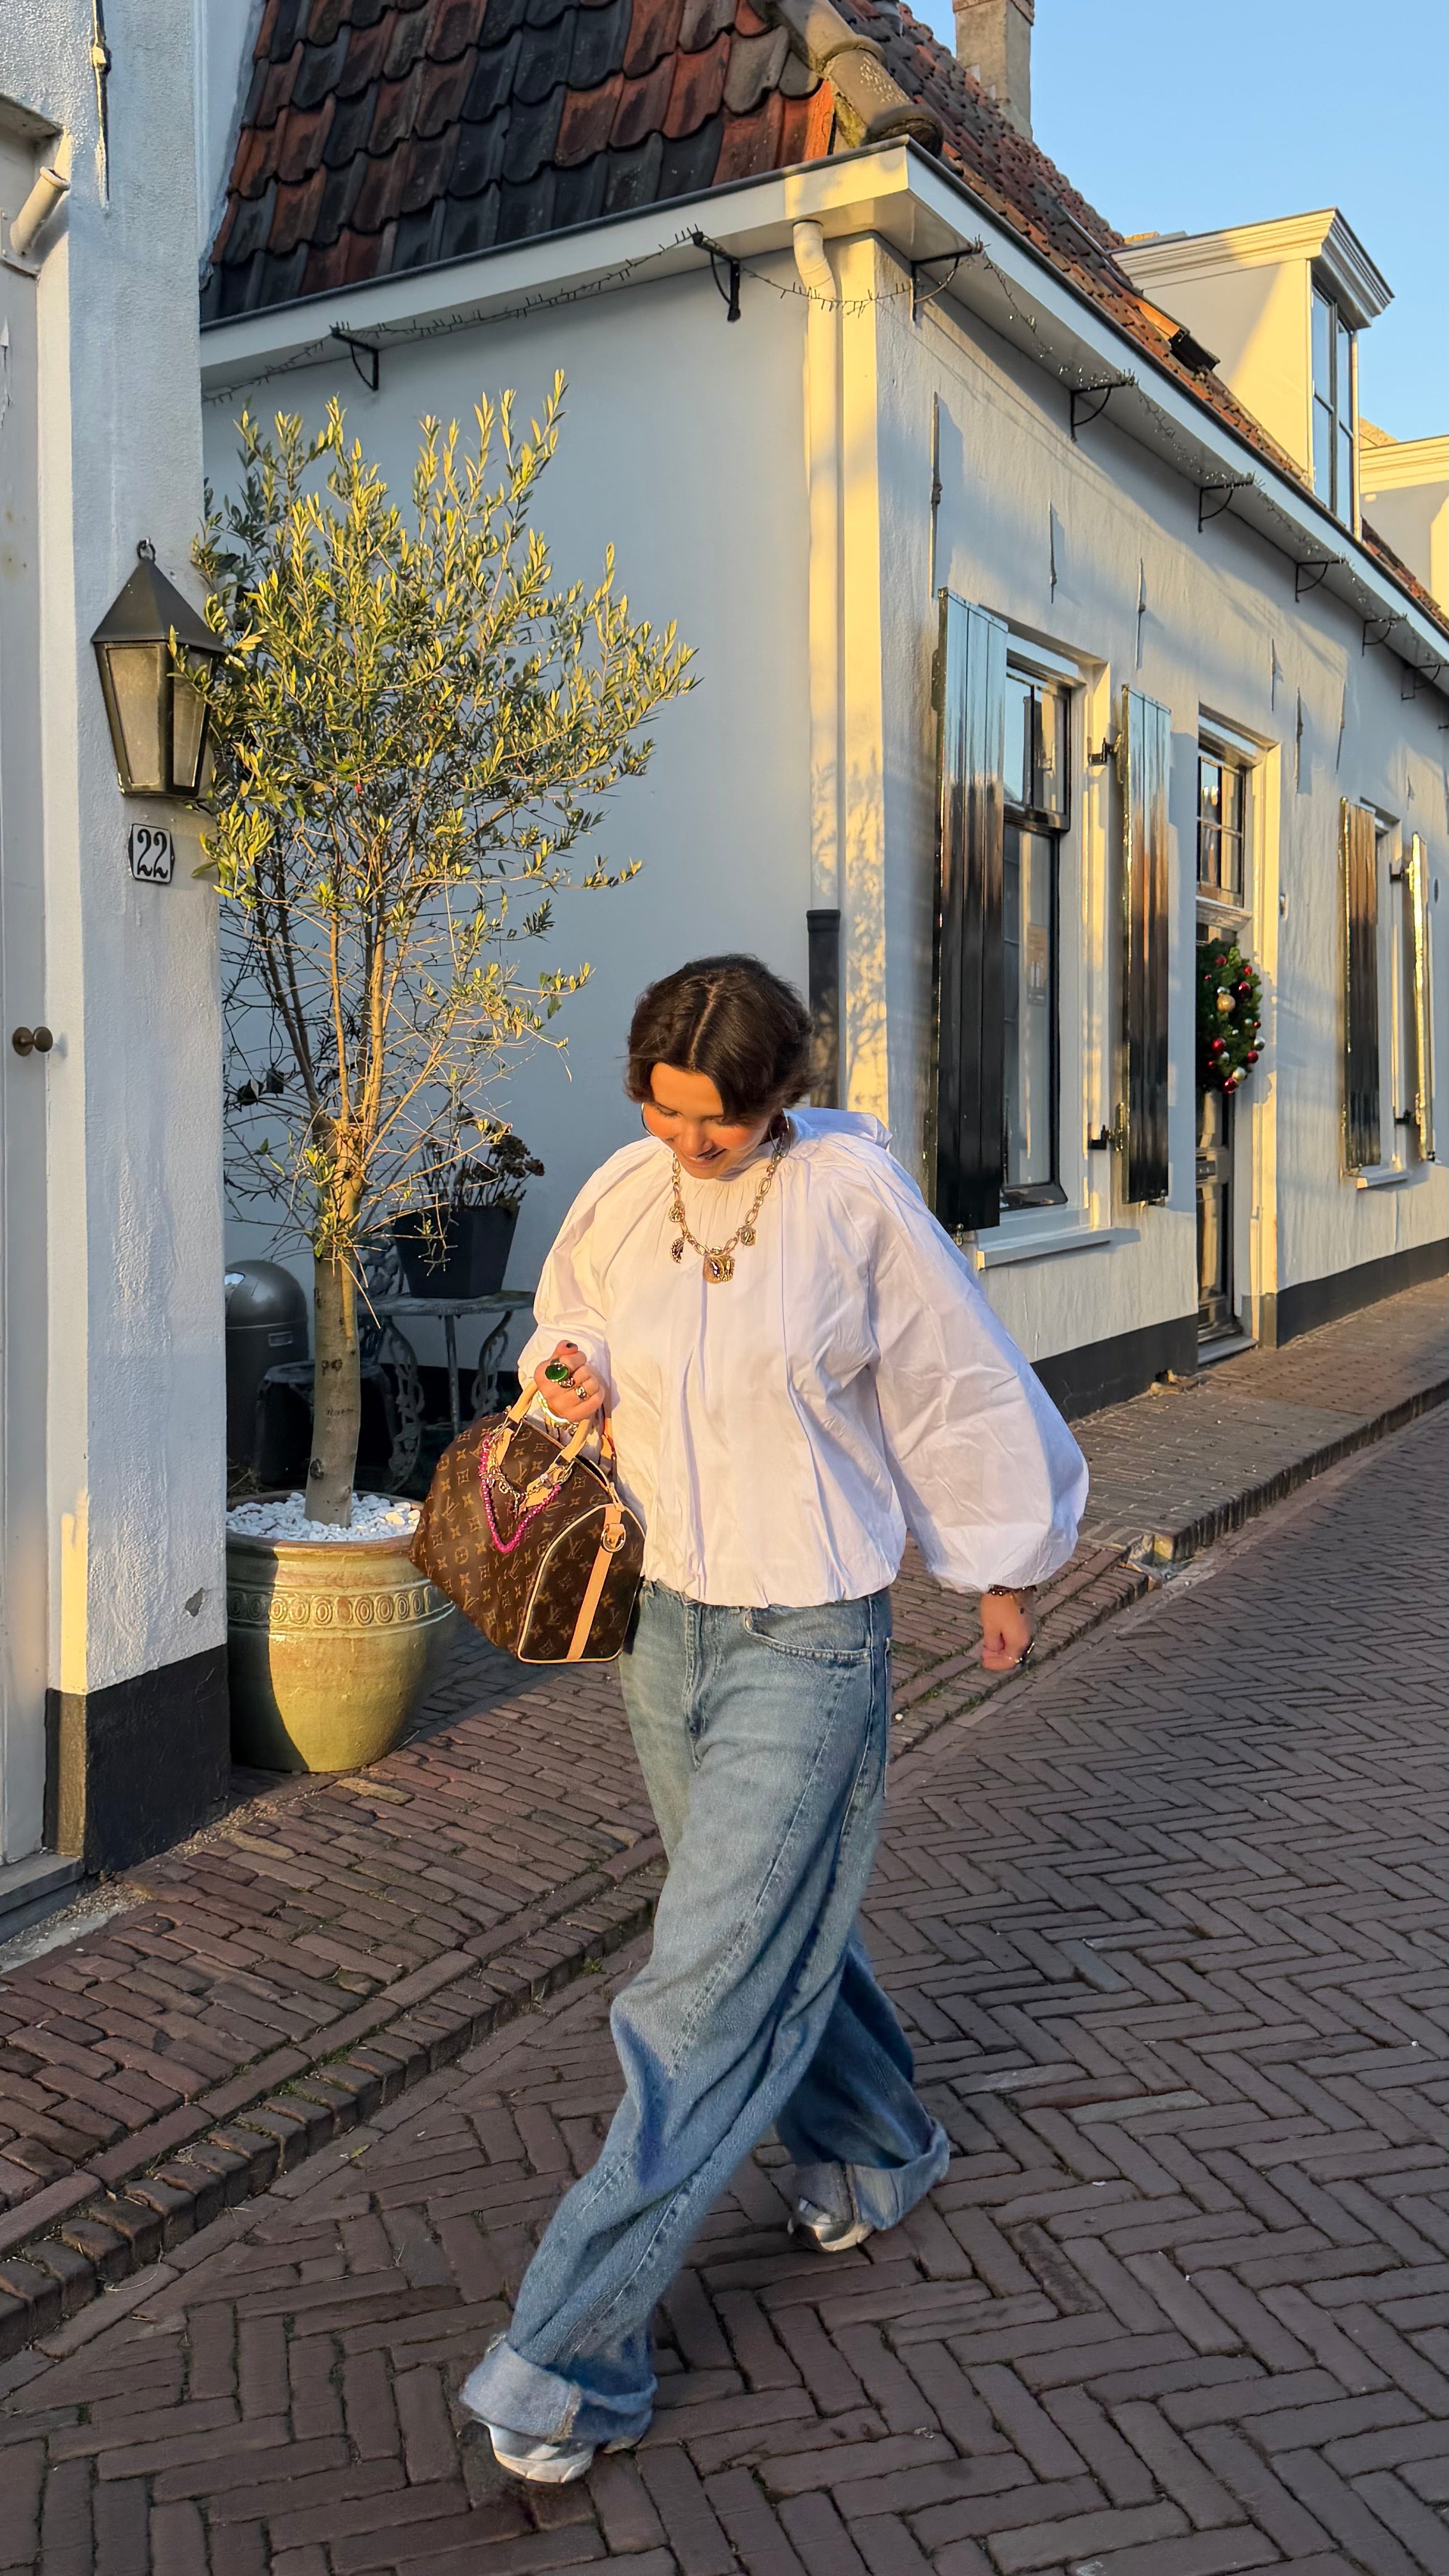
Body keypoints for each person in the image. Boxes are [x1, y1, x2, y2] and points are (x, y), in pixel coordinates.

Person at [459, 955, 1087, 2482]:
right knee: (759, 1928)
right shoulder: (626, 1190)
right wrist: (570, 1373)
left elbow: (953, 1382)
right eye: (663, 1112)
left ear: (776, 1099)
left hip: (807, 1632)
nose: (687, 1143)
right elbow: (576, 1322)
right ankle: (877, 2147)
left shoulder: (851, 1203)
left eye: (715, 1124)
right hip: (663, 1626)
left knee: (698, 1988)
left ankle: (566, 2362)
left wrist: (999, 1566)